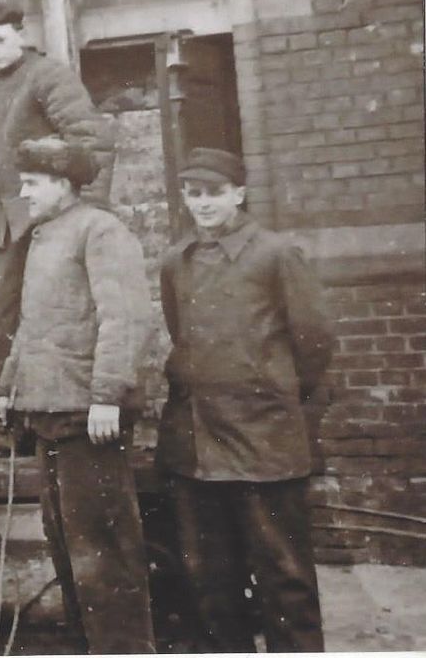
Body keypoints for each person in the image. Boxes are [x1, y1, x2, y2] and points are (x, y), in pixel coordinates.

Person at [157, 147, 334, 652]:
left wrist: (271, 395)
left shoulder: (276, 254)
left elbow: (314, 340)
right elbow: (180, 335)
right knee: (211, 585)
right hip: (197, 446)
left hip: (265, 445)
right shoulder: (177, 261)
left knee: (285, 579)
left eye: (214, 193)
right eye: (194, 194)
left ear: (239, 194)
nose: (204, 204)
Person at [0, 138, 155, 654]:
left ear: (64, 184)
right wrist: (5, 391)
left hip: (88, 417)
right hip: (49, 413)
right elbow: (35, 326)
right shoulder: (45, 235)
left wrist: (106, 394)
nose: (24, 192)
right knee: (67, 546)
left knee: (103, 549)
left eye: (32, 183)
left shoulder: (100, 231)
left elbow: (123, 317)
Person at [0, 0, 111, 407]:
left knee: (61, 316)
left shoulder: (47, 77)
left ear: (21, 35)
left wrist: (87, 215)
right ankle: (10, 415)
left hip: (54, 222)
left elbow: (93, 139)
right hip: (11, 226)